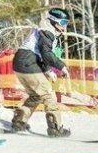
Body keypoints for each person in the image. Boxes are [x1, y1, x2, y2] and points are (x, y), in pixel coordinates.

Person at [11, 7, 71, 137]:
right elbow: (46, 54)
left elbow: (40, 55)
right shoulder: (47, 32)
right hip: (28, 62)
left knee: (36, 96)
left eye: (67, 23)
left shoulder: (44, 31)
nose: (64, 27)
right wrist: (62, 66)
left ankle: (19, 121)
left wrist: (48, 70)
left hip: (21, 63)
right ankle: (55, 128)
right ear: (54, 21)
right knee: (47, 94)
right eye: (63, 23)